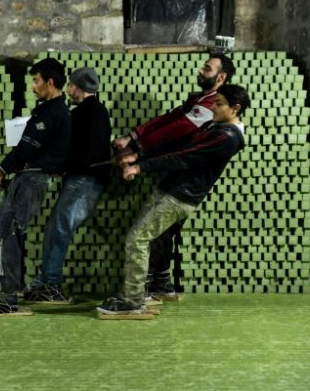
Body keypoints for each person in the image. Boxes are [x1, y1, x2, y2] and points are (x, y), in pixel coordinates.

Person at [97, 83, 249, 316]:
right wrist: (138, 154)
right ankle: (136, 293)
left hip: (180, 197)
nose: (213, 108)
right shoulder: (214, 126)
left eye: (219, 104)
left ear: (235, 108)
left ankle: (132, 301)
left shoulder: (227, 138)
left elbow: (185, 157)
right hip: (170, 189)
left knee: (137, 239)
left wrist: (140, 166)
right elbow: (179, 145)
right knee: (142, 238)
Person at [112, 52, 235, 301]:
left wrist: (138, 156)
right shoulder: (200, 99)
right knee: (160, 233)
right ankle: (160, 283)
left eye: (207, 68)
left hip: (182, 186)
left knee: (142, 236)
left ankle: (136, 296)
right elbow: (168, 119)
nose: (201, 71)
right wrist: (135, 138)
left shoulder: (214, 115)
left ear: (221, 77)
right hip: (174, 178)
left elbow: (177, 134)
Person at [0, 57, 71, 316]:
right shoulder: (45, 110)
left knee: (9, 234)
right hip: (23, 178)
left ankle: (8, 298)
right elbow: (27, 155)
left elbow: (25, 150)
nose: (33, 86)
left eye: (36, 81)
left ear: (50, 82)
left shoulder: (55, 112)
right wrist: (5, 177)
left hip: (33, 182)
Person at [22, 67, 112, 304]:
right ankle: (45, 282)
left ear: (78, 87)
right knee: (56, 228)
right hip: (80, 178)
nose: (68, 89)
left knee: (60, 228)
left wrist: (61, 164)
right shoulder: (88, 111)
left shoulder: (90, 112)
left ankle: (51, 284)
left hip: (84, 179)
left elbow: (86, 151)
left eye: (71, 85)